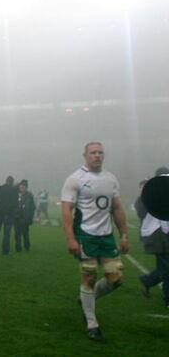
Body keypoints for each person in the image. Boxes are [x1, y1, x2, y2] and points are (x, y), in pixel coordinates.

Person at [61, 142, 128, 342]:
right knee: (88, 277)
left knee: (116, 279)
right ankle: (92, 324)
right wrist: (71, 238)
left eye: (100, 153)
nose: (97, 156)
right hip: (85, 236)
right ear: (85, 155)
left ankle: (86, 300)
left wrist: (124, 235)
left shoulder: (110, 179)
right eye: (93, 153)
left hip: (106, 236)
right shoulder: (75, 179)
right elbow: (66, 210)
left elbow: (116, 207)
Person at [138, 167, 169, 307]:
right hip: (156, 233)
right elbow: (140, 208)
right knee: (166, 267)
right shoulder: (151, 192)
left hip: (163, 232)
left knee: (165, 267)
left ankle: (147, 280)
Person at [0, 176, 18, 256]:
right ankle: (5, 251)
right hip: (9, 214)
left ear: (6, 181)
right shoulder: (14, 190)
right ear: (12, 182)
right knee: (6, 233)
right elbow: (16, 203)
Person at [13, 179, 35, 252]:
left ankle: (27, 246)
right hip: (16, 217)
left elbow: (32, 207)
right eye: (21, 186)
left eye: (23, 187)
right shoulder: (16, 194)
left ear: (26, 187)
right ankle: (18, 248)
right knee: (17, 234)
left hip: (25, 218)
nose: (21, 188)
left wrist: (29, 217)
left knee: (25, 233)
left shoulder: (29, 195)